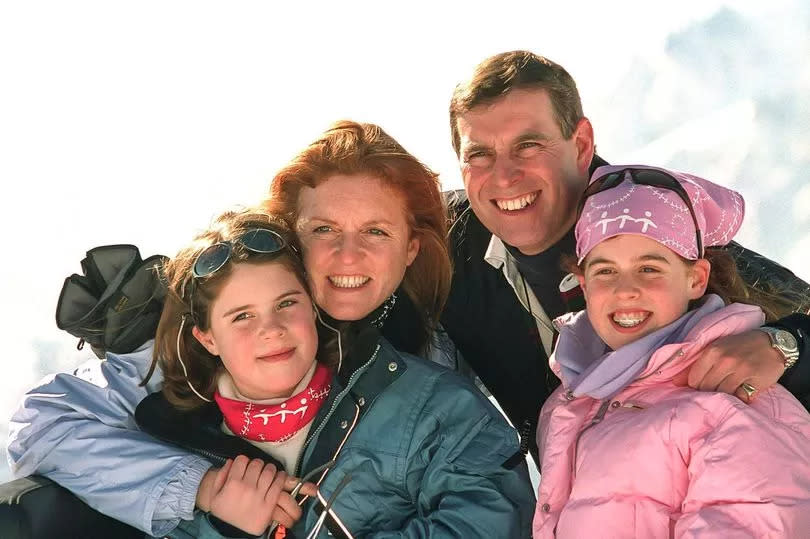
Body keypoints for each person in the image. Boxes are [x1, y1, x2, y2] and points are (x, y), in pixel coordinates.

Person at [7, 121, 534, 537]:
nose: (348, 255)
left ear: (410, 246)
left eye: (375, 231)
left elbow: (485, 504)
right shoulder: (211, 344)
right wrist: (199, 487)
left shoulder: (434, 365)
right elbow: (43, 424)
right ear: (289, 235)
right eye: (324, 230)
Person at [440, 50, 810, 460]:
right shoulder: (446, 248)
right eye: (479, 155)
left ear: (580, 144)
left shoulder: (650, 221)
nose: (504, 176)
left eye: (528, 146)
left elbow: (798, 306)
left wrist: (785, 342)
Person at [139, 208, 533, 538]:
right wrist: (227, 530)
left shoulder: (434, 404)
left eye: (286, 303)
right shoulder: (181, 456)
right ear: (207, 338)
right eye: (242, 316)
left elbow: (496, 523)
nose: (272, 329)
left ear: (313, 304)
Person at [532, 164, 810, 537]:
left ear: (695, 278)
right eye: (605, 271)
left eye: (649, 269)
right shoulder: (573, 400)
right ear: (583, 285)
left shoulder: (731, 399)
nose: (625, 289)